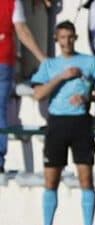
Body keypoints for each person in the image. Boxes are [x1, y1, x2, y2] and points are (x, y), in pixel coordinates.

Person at [30, 21, 95, 225]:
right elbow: (38, 94)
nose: (67, 41)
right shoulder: (49, 65)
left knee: (86, 177)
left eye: (71, 37)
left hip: (81, 123)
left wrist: (88, 97)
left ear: (75, 38)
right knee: (51, 179)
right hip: (56, 124)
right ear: (57, 39)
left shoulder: (90, 62)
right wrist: (61, 77)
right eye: (62, 37)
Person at [0, 0, 47, 173]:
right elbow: (22, 30)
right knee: (0, 110)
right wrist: (42, 58)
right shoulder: (11, 2)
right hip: (3, 58)